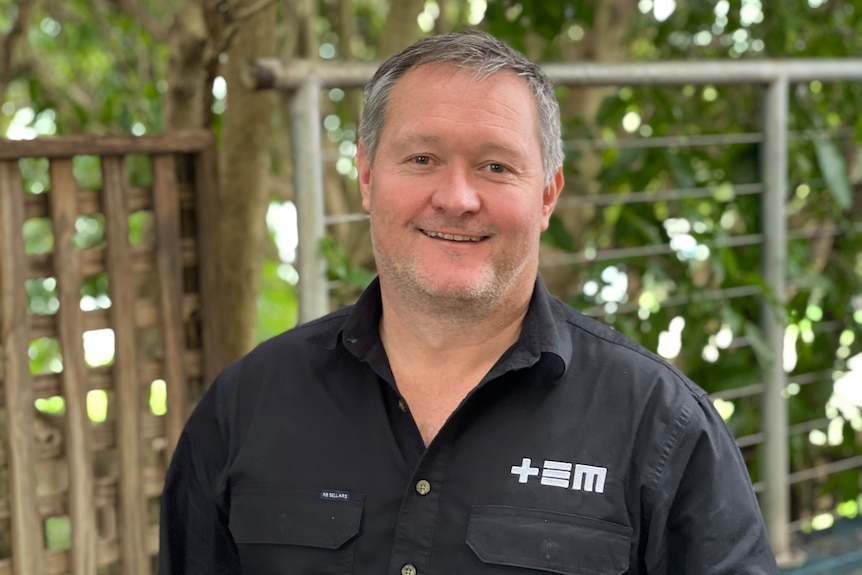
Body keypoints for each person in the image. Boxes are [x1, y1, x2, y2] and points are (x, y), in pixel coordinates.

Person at [159, 30, 781, 574]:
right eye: (422, 158)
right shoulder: (245, 409)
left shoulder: (660, 426)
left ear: (546, 195)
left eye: (495, 166)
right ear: (369, 177)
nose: (456, 197)